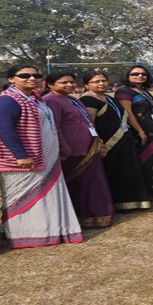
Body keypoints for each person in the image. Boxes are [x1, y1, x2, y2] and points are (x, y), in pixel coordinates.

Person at [0, 65, 83, 248]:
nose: (31, 78)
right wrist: (21, 155)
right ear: (11, 79)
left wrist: (62, 149)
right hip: (22, 161)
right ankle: (25, 234)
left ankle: (49, 231)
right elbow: (3, 128)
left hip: (47, 157)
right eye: (24, 75)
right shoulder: (7, 100)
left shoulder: (36, 99)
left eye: (36, 75)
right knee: (24, 197)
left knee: (46, 196)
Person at [43, 73, 115, 227]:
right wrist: (64, 149)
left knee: (93, 182)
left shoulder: (74, 99)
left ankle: (98, 214)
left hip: (89, 146)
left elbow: (88, 122)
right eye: (64, 82)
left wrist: (99, 142)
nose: (69, 85)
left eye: (71, 82)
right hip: (72, 150)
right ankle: (83, 216)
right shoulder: (51, 101)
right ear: (50, 84)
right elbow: (55, 127)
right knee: (80, 185)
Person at [79, 71, 151, 209]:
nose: (101, 83)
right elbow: (89, 124)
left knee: (128, 170)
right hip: (108, 142)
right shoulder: (88, 100)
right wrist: (98, 143)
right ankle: (119, 202)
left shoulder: (108, 98)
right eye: (96, 81)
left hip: (123, 140)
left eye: (104, 80)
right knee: (115, 171)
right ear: (87, 85)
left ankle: (133, 201)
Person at [115, 66, 153, 202]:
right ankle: (149, 193)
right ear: (127, 76)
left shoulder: (144, 91)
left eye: (143, 74)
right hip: (140, 134)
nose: (140, 76)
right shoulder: (124, 91)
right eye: (135, 74)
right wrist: (140, 131)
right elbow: (128, 112)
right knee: (147, 163)